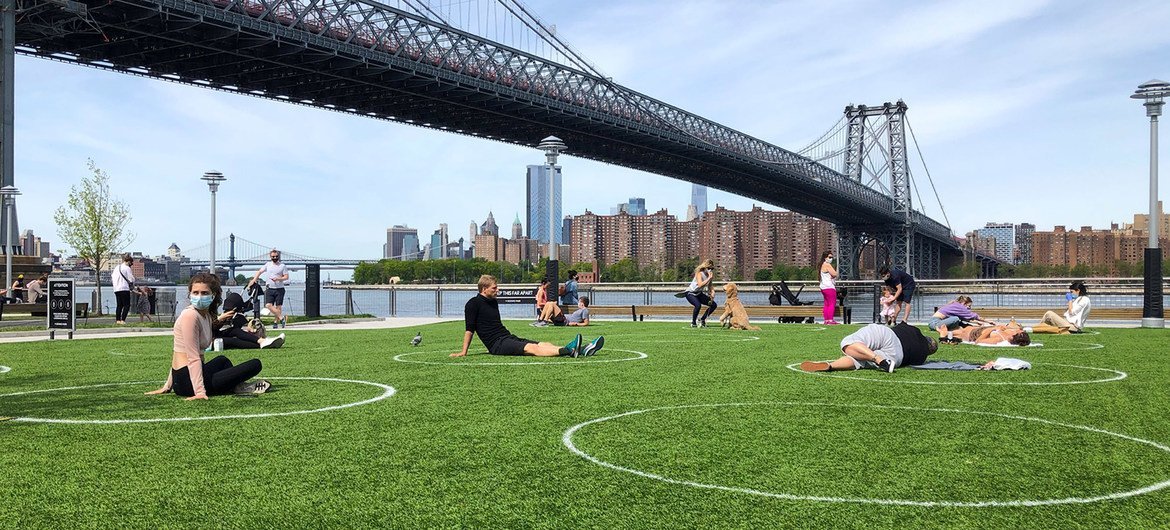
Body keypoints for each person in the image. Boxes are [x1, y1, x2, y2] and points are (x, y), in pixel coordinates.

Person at [144, 272, 270, 399]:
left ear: (213, 295)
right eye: (195, 292)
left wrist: (168, 385)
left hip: (195, 374)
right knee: (255, 364)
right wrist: (199, 392)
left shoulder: (206, 316)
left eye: (204, 293)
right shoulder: (190, 316)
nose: (199, 296)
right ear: (190, 294)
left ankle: (236, 386)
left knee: (222, 360)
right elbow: (190, 357)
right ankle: (237, 386)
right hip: (187, 382)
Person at [453, 274, 604, 358]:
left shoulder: (493, 302)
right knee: (531, 348)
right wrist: (463, 351)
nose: (497, 290)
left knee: (541, 343)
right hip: (496, 345)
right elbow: (469, 330)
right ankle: (570, 351)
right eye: (494, 288)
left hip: (506, 337)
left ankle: (582, 349)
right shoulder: (472, 304)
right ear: (484, 288)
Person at [800, 322, 938, 373]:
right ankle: (831, 366)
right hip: (898, 356)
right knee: (858, 361)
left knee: (849, 342)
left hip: (889, 335)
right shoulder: (922, 357)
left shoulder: (914, 330)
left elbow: (898, 325)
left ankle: (876, 357)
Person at [214, 291, 285, 349]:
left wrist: (221, 321)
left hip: (214, 335)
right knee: (233, 341)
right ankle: (265, 343)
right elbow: (207, 329)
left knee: (235, 330)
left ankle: (263, 341)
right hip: (209, 340)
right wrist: (219, 319)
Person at [248, 249, 290, 329]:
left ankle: (275, 323)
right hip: (270, 288)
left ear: (279, 256)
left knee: (278, 307)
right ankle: (282, 318)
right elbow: (259, 272)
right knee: (268, 305)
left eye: (276, 256)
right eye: (273, 256)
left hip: (280, 289)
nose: (275, 258)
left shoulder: (282, 266)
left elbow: (286, 277)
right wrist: (254, 280)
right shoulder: (268, 265)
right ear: (270, 257)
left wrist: (278, 279)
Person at [929, 295, 995, 343]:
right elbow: (974, 316)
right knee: (955, 319)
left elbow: (965, 318)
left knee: (958, 320)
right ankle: (948, 333)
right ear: (964, 303)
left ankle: (954, 331)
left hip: (936, 322)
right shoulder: (959, 306)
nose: (969, 308)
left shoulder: (956, 305)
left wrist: (976, 323)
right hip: (935, 323)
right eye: (969, 306)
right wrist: (989, 321)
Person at [685, 259, 718, 327]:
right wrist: (709, 278)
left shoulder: (710, 275)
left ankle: (702, 319)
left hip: (699, 293)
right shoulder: (699, 273)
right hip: (690, 293)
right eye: (709, 268)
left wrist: (712, 292)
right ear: (705, 267)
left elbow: (710, 285)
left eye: (712, 269)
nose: (710, 270)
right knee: (698, 305)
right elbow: (700, 285)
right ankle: (693, 323)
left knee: (713, 305)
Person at [949, 323, 1031, 346]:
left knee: (951, 333)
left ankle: (944, 335)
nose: (1015, 330)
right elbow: (1014, 326)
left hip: (970, 334)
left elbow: (978, 341)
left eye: (1017, 332)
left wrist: (991, 329)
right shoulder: (1009, 333)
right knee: (954, 331)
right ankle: (945, 334)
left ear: (1014, 337)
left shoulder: (999, 339)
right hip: (976, 329)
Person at [112, 254, 135, 324]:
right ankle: (123, 320)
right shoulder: (127, 268)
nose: (131, 264)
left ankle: (117, 320)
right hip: (124, 288)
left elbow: (112, 277)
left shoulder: (117, 267)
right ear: (128, 261)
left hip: (116, 288)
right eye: (131, 263)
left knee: (119, 305)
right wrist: (133, 282)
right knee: (127, 305)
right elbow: (131, 279)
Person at [818, 250, 839, 325]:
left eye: (832, 257)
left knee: (826, 304)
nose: (831, 258)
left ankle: (826, 320)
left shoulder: (822, 265)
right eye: (829, 257)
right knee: (831, 304)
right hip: (829, 287)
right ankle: (830, 320)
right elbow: (835, 274)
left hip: (823, 287)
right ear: (825, 257)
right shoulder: (827, 265)